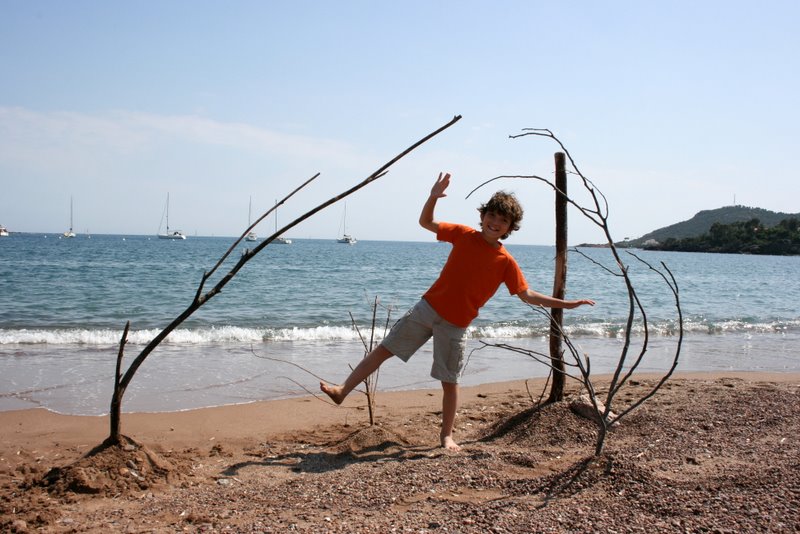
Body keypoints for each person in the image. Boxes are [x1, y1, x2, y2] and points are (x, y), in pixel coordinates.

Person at [320, 172, 595, 451]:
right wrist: (433, 197)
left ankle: (446, 436)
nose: (495, 223)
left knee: (449, 381)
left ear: (510, 227)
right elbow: (426, 222)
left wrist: (567, 304)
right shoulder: (464, 235)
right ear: (483, 215)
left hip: (456, 324)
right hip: (427, 309)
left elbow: (527, 294)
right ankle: (342, 390)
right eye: (493, 215)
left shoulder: (506, 262)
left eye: (503, 220)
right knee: (383, 350)